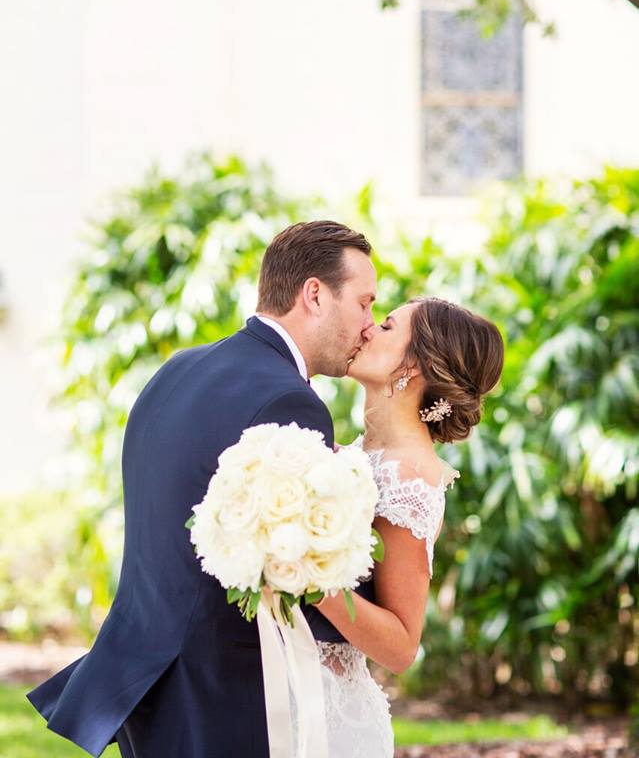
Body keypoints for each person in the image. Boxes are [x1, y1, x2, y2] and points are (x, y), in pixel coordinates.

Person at [26, 219, 378, 758]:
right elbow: (288, 569)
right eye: (363, 303)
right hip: (224, 690)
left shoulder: (178, 369)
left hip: (143, 670)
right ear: (314, 295)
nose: (368, 325)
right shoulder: (293, 403)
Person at [304, 295, 504, 758]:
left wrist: (310, 577)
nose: (369, 328)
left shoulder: (406, 475)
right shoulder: (361, 456)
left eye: (389, 327)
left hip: (330, 721)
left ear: (414, 367)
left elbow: (400, 646)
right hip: (294, 694)